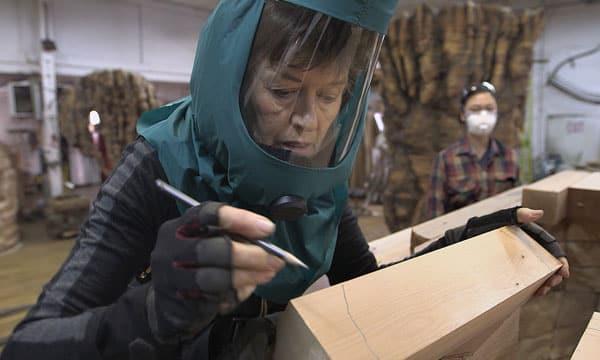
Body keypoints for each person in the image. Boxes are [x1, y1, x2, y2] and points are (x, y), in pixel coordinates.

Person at [2, 2, 567, 360]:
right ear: (235, 82)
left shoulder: (319, 179)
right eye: (282, 91)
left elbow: (365, 290)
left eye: (329, 96)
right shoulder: (157, 164)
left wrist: (465, 247)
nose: (309, 121)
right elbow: (28, 343)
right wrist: (151, 311)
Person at [426, 81, 520, 219]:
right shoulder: (447, 159)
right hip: (461, 237)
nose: (483, 114)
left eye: (489, 108)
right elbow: (435, 212)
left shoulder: (510, 157)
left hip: (500, 235)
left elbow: (517, 204)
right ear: (463, 115)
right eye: (476, 109)